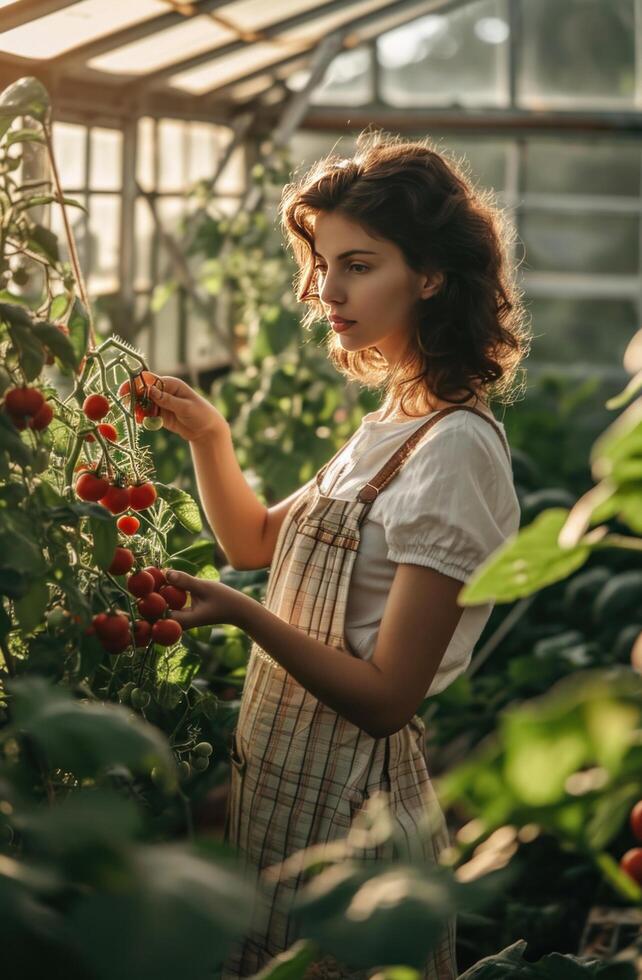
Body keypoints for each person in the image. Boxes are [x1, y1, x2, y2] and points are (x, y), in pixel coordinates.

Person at [148, 130, 529, 980]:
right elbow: (249, 542)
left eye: (358, 264)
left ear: (430, 276)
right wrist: (211, 435)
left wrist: (244, 613)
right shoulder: (394, 423)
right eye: (322, 265)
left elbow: (389, 698)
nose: (327, 289)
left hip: (353, 818)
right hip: (283, 789)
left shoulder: (454, 450)